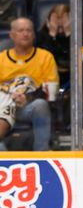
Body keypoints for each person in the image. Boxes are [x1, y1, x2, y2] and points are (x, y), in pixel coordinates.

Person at [0, 17, 58, 151]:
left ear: (33, 34)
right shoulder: (1, 58)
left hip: (28, 106)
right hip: (3, 104)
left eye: (29, 30)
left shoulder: (45, 57)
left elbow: (52, 91)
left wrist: (27, 98)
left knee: (41, 105)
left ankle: (41, 153)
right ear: (12, 35)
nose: (25, 34)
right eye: (20, 30)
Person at [36, 4, 83, 85]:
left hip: (77, 76)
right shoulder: (42, 35)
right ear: (48, 21)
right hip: (49, 76)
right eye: (56, 19)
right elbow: (43, 60)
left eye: (63, 19)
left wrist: (69, 34)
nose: (60, 23)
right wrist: (52, 35)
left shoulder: (82, 33)